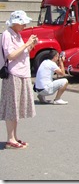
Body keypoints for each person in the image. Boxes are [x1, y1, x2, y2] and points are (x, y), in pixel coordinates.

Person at [0, 10, 38, 150]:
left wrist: (31, 44)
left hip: (22, 73)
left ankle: (14, 137)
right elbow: (11, 55)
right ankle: (10, 138)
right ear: (16, 22)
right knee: (12, 106)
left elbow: (23, 53)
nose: (25, 25)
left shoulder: (17, 35)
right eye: (23, 23)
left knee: (16, 107)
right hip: (12, 74)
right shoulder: (7, 34)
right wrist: (26, 44)